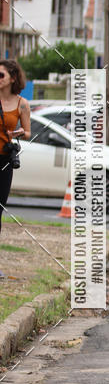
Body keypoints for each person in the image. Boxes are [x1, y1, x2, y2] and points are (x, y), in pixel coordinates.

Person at [0, 60, 31, 279]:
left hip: (4, 161)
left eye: (0, 75)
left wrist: (19, 133)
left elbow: (28, 132)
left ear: (12, 78)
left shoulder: (22, 104)